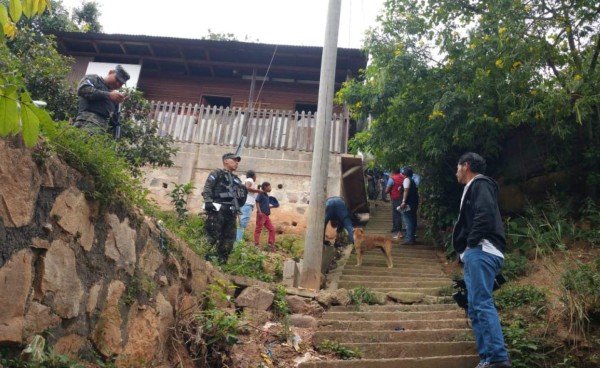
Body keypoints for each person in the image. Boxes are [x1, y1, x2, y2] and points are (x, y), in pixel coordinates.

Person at [452, 152, 511, 368]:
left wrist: (471, 243)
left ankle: (497, 358)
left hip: (482, 250)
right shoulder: (473, 187)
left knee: (481, 303)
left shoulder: (480, 184)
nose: (456, 172)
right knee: (475, 306)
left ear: (466, 166)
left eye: (458, 167)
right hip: (476, 253)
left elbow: (484, 213)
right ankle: (488, 358)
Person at [202, 152, 247, 264]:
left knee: (228, 241)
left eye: (237, 161)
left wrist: (242, 194)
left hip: (231, 213)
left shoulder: (237, 180)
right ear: (226, 161)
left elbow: (241, 199)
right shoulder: (217, 173)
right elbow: (207, 188)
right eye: (234, 160)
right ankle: (198, 256)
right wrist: (208, 201)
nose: (237, 163)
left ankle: (221, 264)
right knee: (211, 235)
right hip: (218, 209)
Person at [74, 65, 130, 136]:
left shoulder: (115, 97)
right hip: (86, 124)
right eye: (117, 79)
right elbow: (83, 90)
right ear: (110, 72)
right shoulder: (94, 79)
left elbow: (113, 122)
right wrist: (108, 95)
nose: (117, 84)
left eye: (121, 83)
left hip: (102, 133)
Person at [236, 170, 263, 242]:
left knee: (241, 223)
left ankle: (237, 240)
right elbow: (247, 187)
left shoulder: (247, 180)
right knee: (242, 224)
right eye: (255, 176)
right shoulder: (250, 180)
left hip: (245, 204)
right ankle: (238, 242)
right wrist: (258, 191)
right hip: (247, 204)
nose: (256, 177)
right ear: (253, 176)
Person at [398, 167, 419, 245]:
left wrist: (403, 201)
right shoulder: (412, 181)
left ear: (404, 174)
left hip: (408, 204)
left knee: (408, 220)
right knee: (413, 220)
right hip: (414, 203)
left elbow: (406, 190)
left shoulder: (406, 180)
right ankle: (412, 237)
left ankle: (409, 238)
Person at [254, 182, 276, 251]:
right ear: (265, 187)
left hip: (266, 215)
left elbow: (264, 205)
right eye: (269, 187)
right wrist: (259, 212)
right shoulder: (261, 193)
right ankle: (256, 244)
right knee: (258, 229)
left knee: (272, 229)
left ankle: (270, 244)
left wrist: (272, 207)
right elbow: (257, 202)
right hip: (261, 214)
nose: (270, 188)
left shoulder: (266, 195)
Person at [386, 168, 405, 238]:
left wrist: (389, 190)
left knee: (396, 214)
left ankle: (398, 231)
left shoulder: (392, 178)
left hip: (395, 197)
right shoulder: (403, 177)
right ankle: (397, 228)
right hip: (403, 197)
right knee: (400, 213)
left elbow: (387, 190)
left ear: (393, 172)